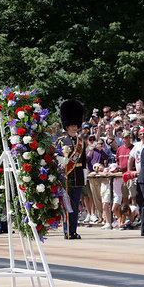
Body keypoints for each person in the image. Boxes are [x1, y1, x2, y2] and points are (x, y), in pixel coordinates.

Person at [57, 99, 86, 240]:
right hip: (67, 176)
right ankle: (67, 231)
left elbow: (84, 162)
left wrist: (84, 176)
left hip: (78, 176)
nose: (74, 127)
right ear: (67, 126)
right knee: (67, 206)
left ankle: (73, 230)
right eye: (72, 125)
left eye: (76, 125)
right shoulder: (61, 141)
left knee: (75, 206)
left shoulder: (81, 142)